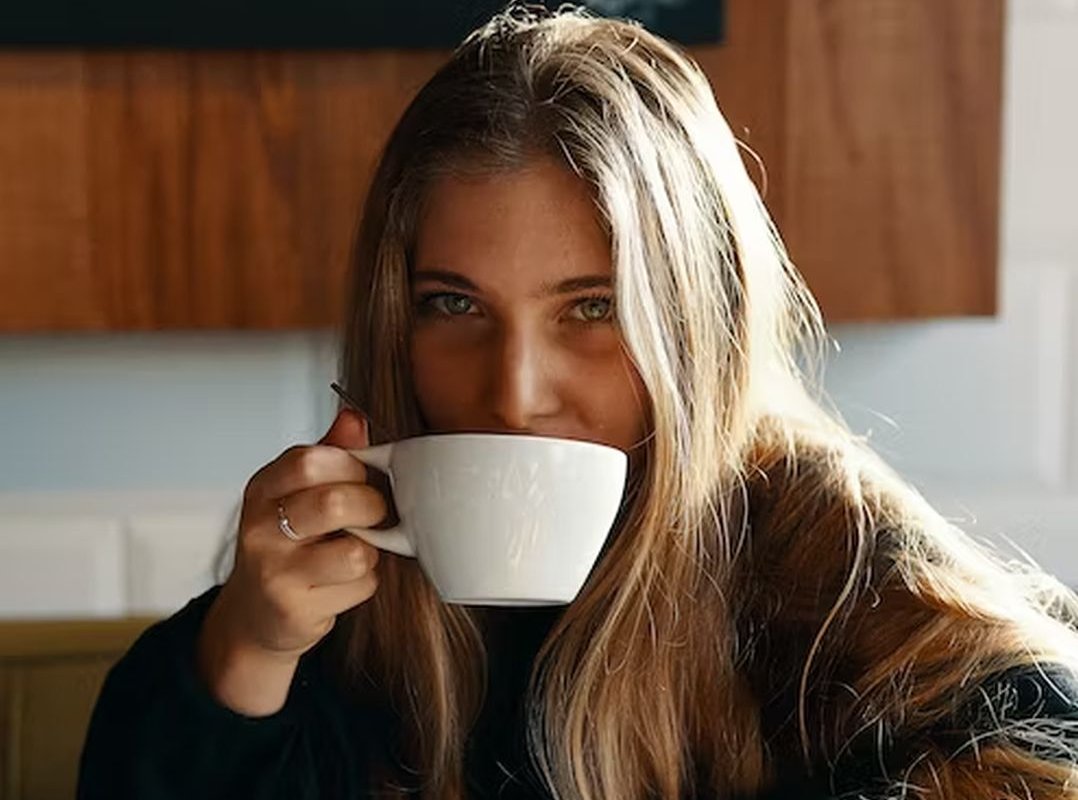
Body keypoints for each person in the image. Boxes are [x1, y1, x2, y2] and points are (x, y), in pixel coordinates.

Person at [78, 5, 1078, 799]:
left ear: (702, 324)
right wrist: (247, 650)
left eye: (592, 307)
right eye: (453, 304)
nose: (512, 392)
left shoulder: (841, 583)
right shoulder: (343, 625)